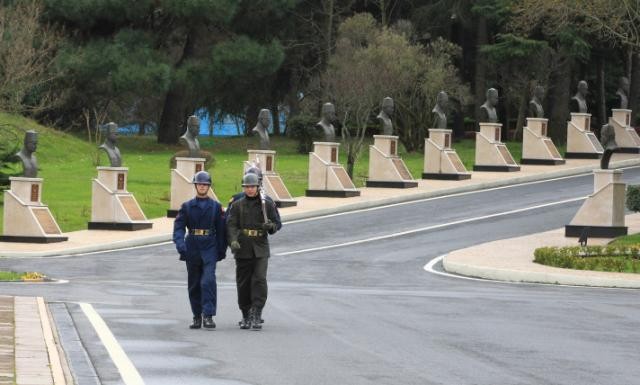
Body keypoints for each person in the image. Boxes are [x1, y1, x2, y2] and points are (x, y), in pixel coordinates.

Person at [173, 171, 227, 330]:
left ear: (209, 186)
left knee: (208, 280)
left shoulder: (216, 207)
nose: (202, 187)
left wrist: (221, 249)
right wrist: (180, 245)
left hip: (210, 246)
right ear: (196, 185)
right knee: (194, 283)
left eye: (205, 184)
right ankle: (197, 315)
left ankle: (208, 315)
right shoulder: (187, 206)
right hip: (192, 247)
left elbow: (221, 230)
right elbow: (179, 228)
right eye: (200, 184)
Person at [226, 172, 280, 330]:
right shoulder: (237, 205)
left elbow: (276, 223)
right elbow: (231, 225)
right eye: (247, 187)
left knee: (259, 279)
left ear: (258, 187)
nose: (250, 189)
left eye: (252, 187)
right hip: (243, 247)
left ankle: (257, 311)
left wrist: (271, 227)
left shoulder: (266, 204)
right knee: (243, 283)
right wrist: (233, 240)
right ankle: (245, 313)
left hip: (260, 247)